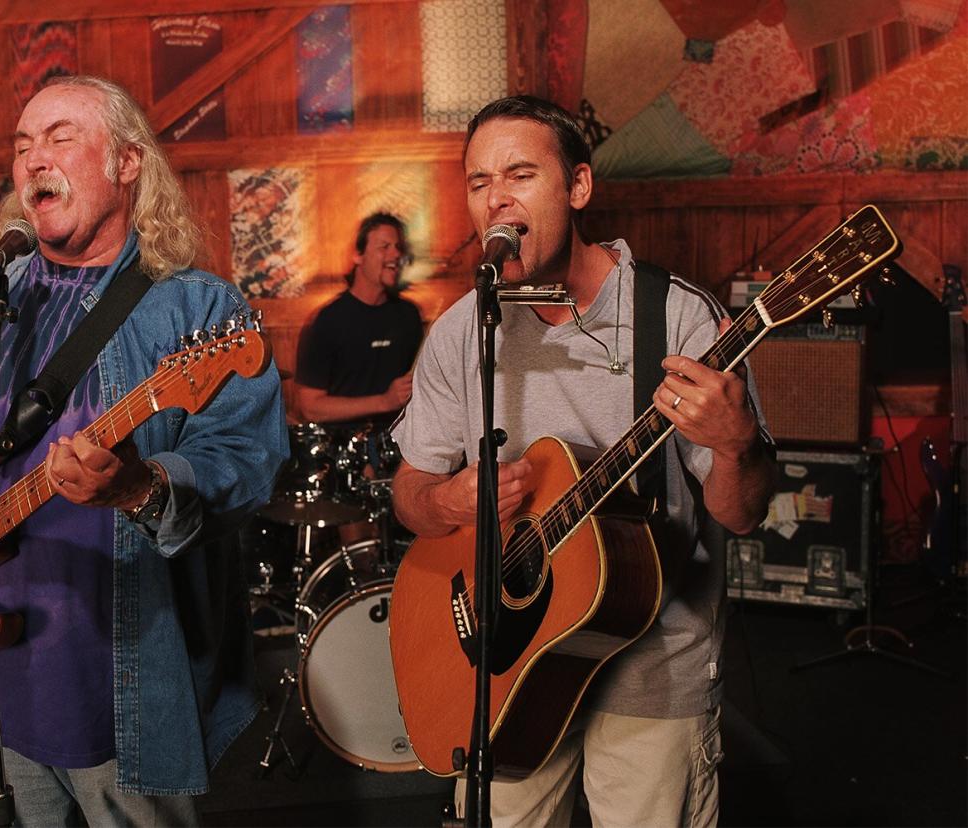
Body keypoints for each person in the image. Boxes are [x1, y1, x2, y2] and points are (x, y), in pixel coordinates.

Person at [0, 75, 288, 826]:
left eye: (60, 136)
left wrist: (143, 487)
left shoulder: (199, 309)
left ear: (128, 164)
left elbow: (247, 455)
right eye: (22, 144)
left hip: (113, 686)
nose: (35, 158)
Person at [390, 95, 777, 827]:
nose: (496, 198)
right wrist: (447, 504)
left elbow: (742, 513)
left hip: (651, 671)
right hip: (506, 670)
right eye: (478, 182)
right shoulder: (461, 330)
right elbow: (410, 490)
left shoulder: (677, 317)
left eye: (520, 174)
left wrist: (736, 443)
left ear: (578, 188)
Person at [294, 212, 424, 426]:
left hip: (400, 445)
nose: (395, 255)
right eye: (384, 247)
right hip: (344, 450)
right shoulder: (327, 321)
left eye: (398, 247)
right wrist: (383, 402)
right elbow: (310, 407)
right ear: (358, 255)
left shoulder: (409, 315)